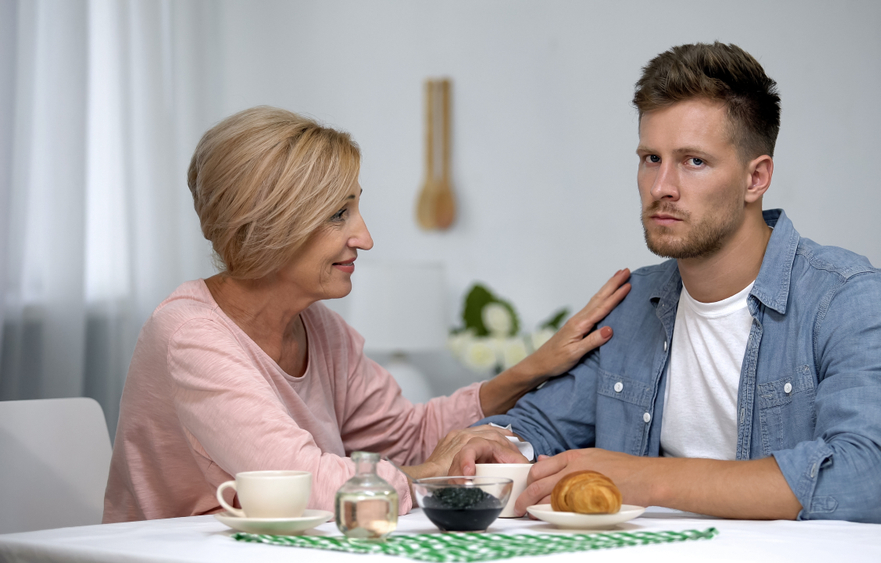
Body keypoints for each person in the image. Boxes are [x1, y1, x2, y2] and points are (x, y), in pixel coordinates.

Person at [461, 42, 881, 525]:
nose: (662, 186)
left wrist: (648, 478)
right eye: (651, 158)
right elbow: (538, 426)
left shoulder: (853, 300)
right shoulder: (631, 303)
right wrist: (495, 444)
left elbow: (864, 482)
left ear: (756, 178)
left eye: (693, 161)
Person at [103, 106, 631, 523]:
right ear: (269, 225)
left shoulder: (320, 329)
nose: (365, 237)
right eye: (338, 215)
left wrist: (531, 369)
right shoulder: (191, 337)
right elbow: (306, 486)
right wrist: (430, 473)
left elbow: (409, 434)